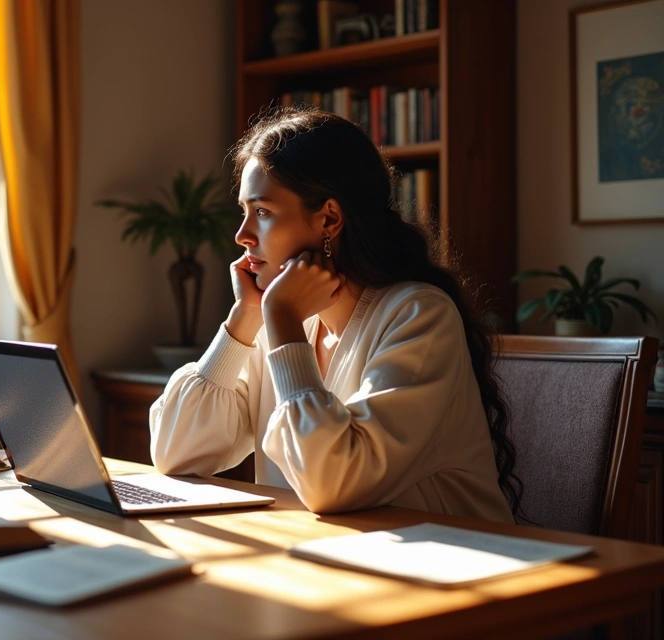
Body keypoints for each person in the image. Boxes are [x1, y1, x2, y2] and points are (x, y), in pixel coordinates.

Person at [149, 109, 519, 523]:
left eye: (263, 212)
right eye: (244, 211)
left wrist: (283, 320)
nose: (242, 235)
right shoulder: (280, 324)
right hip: (327, 564)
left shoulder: (419, 316)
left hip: (455, 570)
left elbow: (333, 483)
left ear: (329, 218)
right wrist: (245, 317)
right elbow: (175, 453)